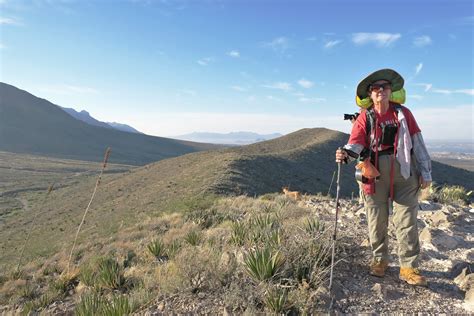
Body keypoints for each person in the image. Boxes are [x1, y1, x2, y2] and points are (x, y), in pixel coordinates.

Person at [335, 68, 432, 286]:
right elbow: (356, 141)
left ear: (391, 91)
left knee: (407, 220)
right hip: (374, 171)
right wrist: (347, 153)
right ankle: (380, 260)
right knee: (376, 218)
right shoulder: (364, 116)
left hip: (405, 169)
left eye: (385, 87)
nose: (380, 90)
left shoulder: (404, 113)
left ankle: (409, 267)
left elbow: (418, 142)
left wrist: (426, 171)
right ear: (370, 94)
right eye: (375, 88)